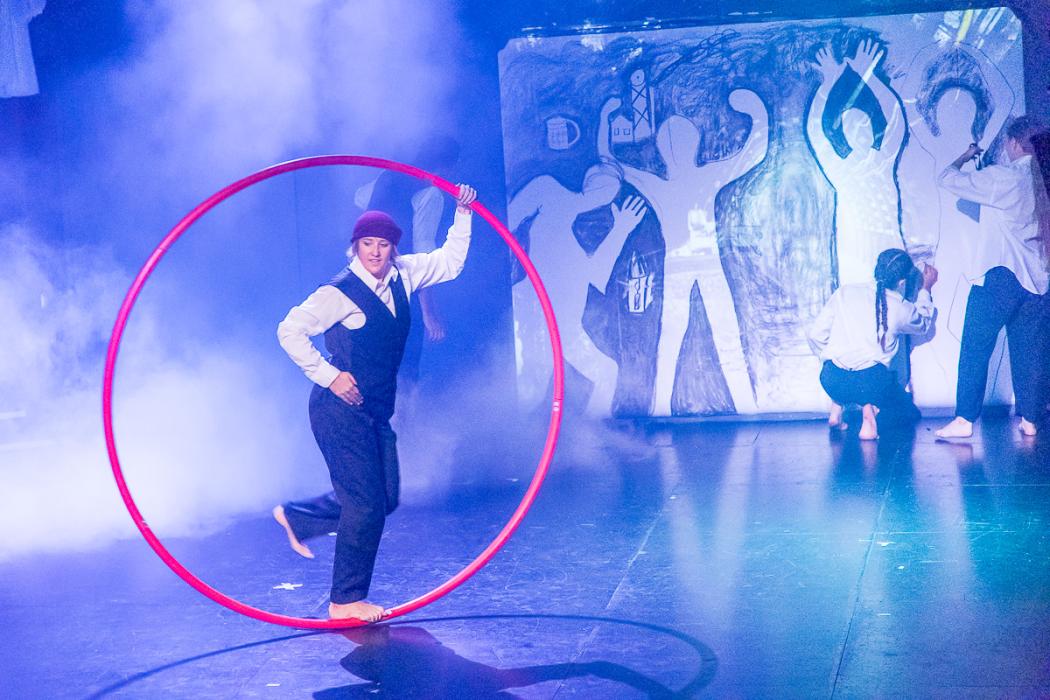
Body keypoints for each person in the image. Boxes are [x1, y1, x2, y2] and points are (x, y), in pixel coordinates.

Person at [276, 183, 477, 622]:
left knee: (383, 498)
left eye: (383, 245)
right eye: (367, 244)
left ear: (393, 248)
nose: (375, 252)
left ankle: (299, 518)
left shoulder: (405, 274)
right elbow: (289, 330)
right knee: (364, 505)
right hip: (337, 411)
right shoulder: (339, 292)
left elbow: (450, 262)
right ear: (356, 246)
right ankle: (345, 601)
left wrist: (463, 212)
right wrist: (330, 376)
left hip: (375, 412)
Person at [933, 116, 1049, 439]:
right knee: (1029, 354)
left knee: (975, 346)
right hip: (1037, 282)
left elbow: (947, 179)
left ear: (1013, 143)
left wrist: (966, 157)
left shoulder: (1004, 177)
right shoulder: (1044, 179)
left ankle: (964, 419)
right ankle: (1030, 420)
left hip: (1001, 276)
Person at [808, 249, 938, 440]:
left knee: (846, 365)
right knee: (888, 387)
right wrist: (925, 288)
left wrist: (828, 359)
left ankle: (836, 411)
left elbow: (815, 335)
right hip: (871, 384)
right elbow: (923, 323)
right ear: (902, 282)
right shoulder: (900, 307)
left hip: (831, 379)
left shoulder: (845, 292)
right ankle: (869, 416)